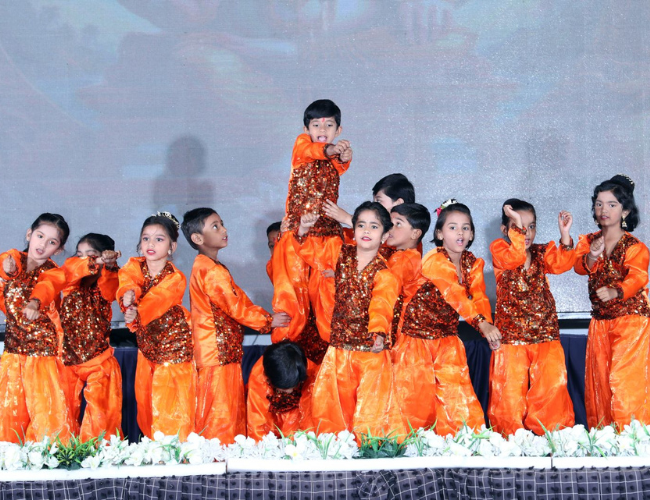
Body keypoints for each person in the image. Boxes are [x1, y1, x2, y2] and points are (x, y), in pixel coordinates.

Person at [295, 201, 404, 439]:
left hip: (370, 353)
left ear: (385, 235)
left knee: (371, 411)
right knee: (332, 408)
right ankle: (336, 448)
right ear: (353, 229)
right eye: (361, 225)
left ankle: (369, 450)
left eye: (374, 226)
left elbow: (382, 305)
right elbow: (313, 254)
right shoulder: (341, 254)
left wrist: (378, 333)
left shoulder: (385, 273)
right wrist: (303, 230)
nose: (366, 231)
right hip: (340, 350)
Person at [181, 208, 289, 443]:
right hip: (216, 355)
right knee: (221, 417)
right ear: (197, 238)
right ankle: (218, 461)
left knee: (224, 412)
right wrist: (268, 320)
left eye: (222, 224)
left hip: (220, 353)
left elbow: (238, 299)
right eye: (215, 226)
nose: (224, 230)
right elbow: (236, 307)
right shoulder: (210, 270)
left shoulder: (209, 266)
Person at [488, 200, 575, 436]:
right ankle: (510, 439)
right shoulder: (499, 249)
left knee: (551, 387)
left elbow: (562, 264)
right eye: (518, 226)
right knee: (509, 394)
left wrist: (564, 235)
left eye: (531, 226)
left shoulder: (541, 252)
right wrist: (517, 225)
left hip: (545, 333)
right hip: (511, 336)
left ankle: (552, 437)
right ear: (505, 229)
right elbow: (514, 257)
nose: (526, 232)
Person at [24, 233, 123, 441]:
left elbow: (111, 288)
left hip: (98, 360)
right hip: (67, 360)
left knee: (100, 420)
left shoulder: (108, 281)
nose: (84, 259)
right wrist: (35, 301)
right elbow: (56, 278)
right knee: (59, 417)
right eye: (80, 254)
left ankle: (98, 456)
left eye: (91, 254)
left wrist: (109, 265)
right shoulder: (70, 280)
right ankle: (58, 454)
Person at [271, 99, 352, 345]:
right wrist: (334, 149)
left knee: (330, 305)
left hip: (329, 238)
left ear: (338, 130)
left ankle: (337, 358)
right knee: (292, 305)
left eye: (329, 125)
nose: (322, 129)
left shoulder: (334, 160)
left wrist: (345, 154)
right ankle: (283, 358)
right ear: (306, 129)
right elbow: (319, 151)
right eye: (316, 125)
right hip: (297, 236)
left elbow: (340, 163)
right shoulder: (302, 146)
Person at [574, 174, 650, 429]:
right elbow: (579, 267)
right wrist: (592, 256)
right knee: (601, 383)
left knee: (624, 381)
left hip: (631, 321)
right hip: (601, 322)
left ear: (625, 211)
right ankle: (606, 439)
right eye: (599, 204)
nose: (603, 210)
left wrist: (617, 291)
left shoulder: (635, 246)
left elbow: (638, 276)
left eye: (611, 204)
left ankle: (631, 439)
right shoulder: (588, 241)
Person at [419, 200, 501, 434]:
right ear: (439, 233)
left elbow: (479, 297)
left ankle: (462, 446)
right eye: (453, 227)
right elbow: (455, 295)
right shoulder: (434, 260)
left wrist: (488, 328)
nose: (460, 233)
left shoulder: (471, 262)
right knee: (420, 403)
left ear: (472, 233)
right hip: (417, 341)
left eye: (466, 227)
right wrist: (481, 324)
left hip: (447, 339)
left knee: (459, 400)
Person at [117, 212, 195, 440]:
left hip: (173, 349)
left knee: (170, 409)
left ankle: (171, 452)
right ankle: (155, 450)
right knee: (146, 408)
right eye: (146, 238)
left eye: (159, 239)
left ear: (172, 247)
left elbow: (158, 299)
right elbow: (128, 282)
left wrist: (136, 311)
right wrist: (128, 295)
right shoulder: (134, 266)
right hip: (148, 349)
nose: (151, 244)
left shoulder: (175, 277)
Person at [0, 213, 76, 443]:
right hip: (13, 353)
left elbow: (47, 288)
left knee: (46, 421)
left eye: (51, 242)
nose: (42, 244)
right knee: (9, 417)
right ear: (29, 234)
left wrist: (34, 303)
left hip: (42, 356)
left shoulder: (54, 272)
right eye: (40, 236)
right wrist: (6, 271)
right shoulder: (13, 260)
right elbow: (7, 265)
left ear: (59, 249)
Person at [247, 341, 317, 441]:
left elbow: (310, 416)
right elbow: (256, 421)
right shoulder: (259, 376)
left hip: (298, 418)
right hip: (271, 421)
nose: (291, 391)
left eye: (295, 385)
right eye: (285, 388)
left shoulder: (311, 372)